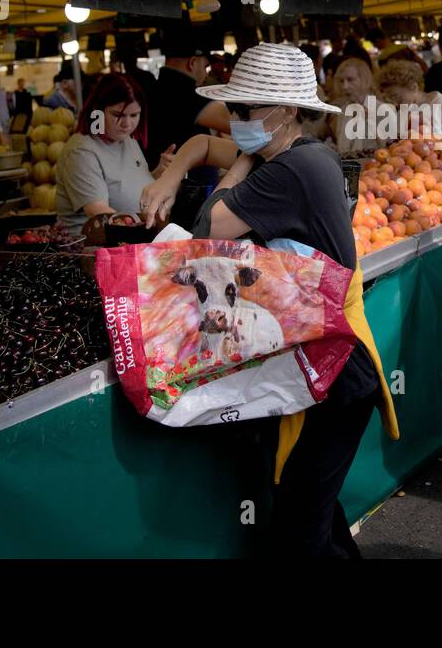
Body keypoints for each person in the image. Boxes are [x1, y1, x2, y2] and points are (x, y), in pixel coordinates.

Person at [140, 43, 399, 557]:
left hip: (334, 373)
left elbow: (206, 231)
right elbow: (200, 143)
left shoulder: (286, 172)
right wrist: (176, 172)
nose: (234, 120)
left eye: (245, 110)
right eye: (232, 109)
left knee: (301, 529)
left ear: (286, 111)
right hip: (332, 368)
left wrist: (237, 169)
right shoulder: (304, 155)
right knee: (314, 513)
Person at [55, 74, 171, 230]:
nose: (127, 124)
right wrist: (147, 228)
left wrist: (157, 173)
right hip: (92, 245)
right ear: (97, 111)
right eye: (118, 115)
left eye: (134, 115)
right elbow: (98, 212)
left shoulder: (126, 138)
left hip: (132, 237)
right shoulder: (81, 152)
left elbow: (126, 184)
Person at [376, 59, 442, 149]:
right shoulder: (404, 109)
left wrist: (435, 142)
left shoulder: (439, 102)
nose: (394, 101)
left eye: (396, 96)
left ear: (413, 87)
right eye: (390, 97)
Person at [147, 33, 211, 167]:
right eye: (205, 67)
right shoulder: (184, 92)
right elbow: (230, 122)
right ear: (192, 63)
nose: (206, 74)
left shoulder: (153, 86)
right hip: (182, 179)